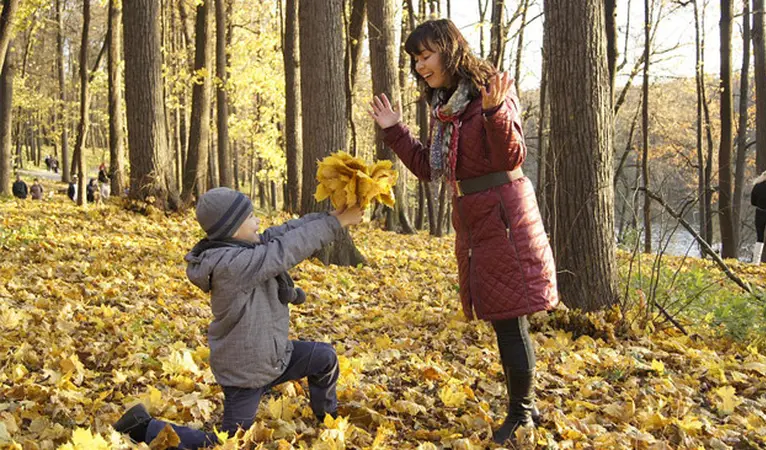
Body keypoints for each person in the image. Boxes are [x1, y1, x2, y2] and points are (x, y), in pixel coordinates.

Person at [369, 19, 558, 444]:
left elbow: (511, 153)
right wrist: (395, 130)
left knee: (509, 320)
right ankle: (525, 402)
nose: (419, 67)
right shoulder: (446, 105)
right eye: (415, 60)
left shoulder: (489, 91)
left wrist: (494, 112)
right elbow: (429, 169)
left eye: (425, 56)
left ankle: (522, 414)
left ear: (448, 49)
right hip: (475, 219)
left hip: (504, 217)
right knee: (503, 319)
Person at [113, 187, 364, 449]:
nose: (258, 222)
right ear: (233, 229)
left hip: (274, 357)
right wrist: (337, 223)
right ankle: (144, 426)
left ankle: (327, 418)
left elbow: (284, 233)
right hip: (245, 374)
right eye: (251, 217)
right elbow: (286, 250)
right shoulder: (232, 265)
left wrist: (328, 216)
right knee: (228, 444)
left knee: (324, 358)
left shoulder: (243, 248)